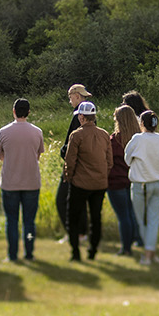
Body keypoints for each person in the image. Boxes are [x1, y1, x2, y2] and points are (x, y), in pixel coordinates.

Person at [62, 101, 111, 261]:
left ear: (81, 117)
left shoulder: (76, 135)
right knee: (96, 218)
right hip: (100, 184)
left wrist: (68, 177)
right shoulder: (104, 135)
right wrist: (102, 175)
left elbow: (70, 161)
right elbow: (109, 162)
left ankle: (75, 252)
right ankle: (93, 251)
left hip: (80, 184)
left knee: (73, 217)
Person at [0, 98, 44, 261]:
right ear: (29, 112)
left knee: (12, 221)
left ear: (14, 111)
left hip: (10, 182)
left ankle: (12, 254)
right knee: (29, 221)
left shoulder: (3, 131)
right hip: (31, 181)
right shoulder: (37, 131)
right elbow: (37, 155)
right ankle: (29, 253)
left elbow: (1, 156)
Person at [124, 110, 159, 266]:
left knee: (142, 221)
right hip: (158, 183)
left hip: (141, 184)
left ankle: (148, 255)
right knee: (153, 220)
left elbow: (127, 159)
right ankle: (152, 252)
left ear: (142, 123)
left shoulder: (138, 138)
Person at [55, 83, 90, 239]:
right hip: (86, 164)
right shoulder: (90, 114)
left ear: (76, 96)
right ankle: (82, 233)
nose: (70, 101)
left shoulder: (78, 115)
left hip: (74, 165)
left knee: (61, 200)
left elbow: (72, 142)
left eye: (70, 98)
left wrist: (63, 152)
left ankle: (73, 233)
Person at [106, 104, 140, 256]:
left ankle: (126, 248)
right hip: (133, 180)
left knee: (123, 216)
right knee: (131, 214)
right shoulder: (139, 139)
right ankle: (135, 240)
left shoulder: (114, 140)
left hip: (116, 182)